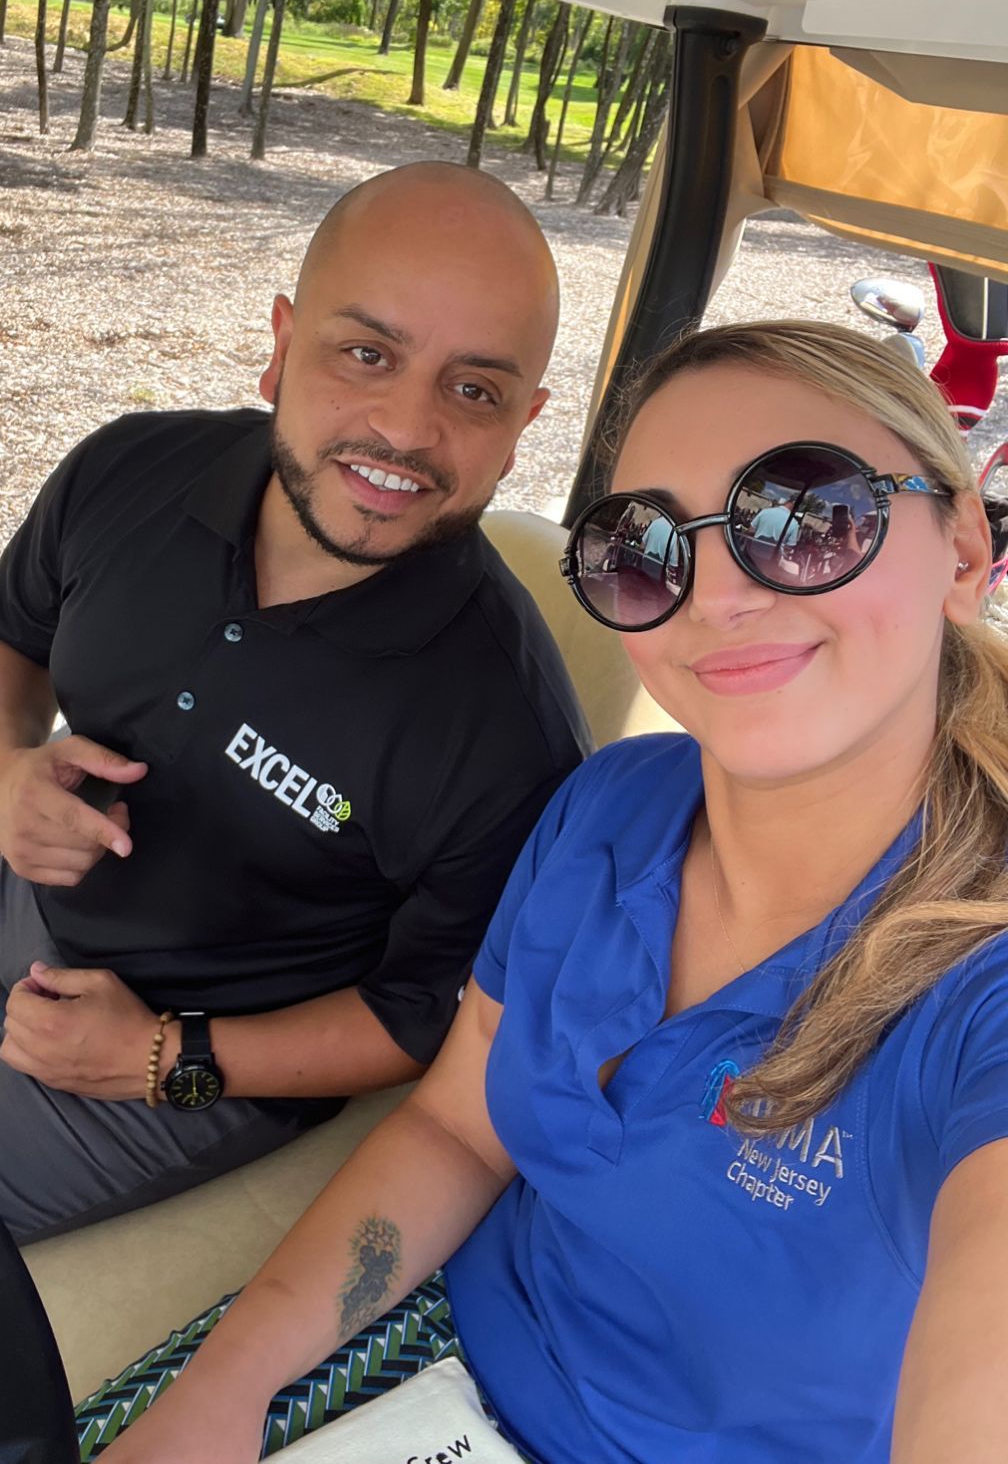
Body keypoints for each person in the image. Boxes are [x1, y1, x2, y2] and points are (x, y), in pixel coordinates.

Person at [74, 317, 1008, 1464]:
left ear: (961, 550)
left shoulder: (980, 989)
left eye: (803, 516)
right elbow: (459, 1129)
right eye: (645, 545)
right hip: (440, 1353)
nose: (711, 595)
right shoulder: (609, 808)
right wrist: (228, 1385)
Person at [0, 162, 587, 1244]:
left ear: (523, 421)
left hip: (208, 1033)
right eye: (365, 353)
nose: (406, 430)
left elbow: (425, 1015)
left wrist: (164, 1056)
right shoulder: (131, 468)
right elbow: (5, 634)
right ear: (281, 341)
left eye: (473, 390)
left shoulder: (504, 729)